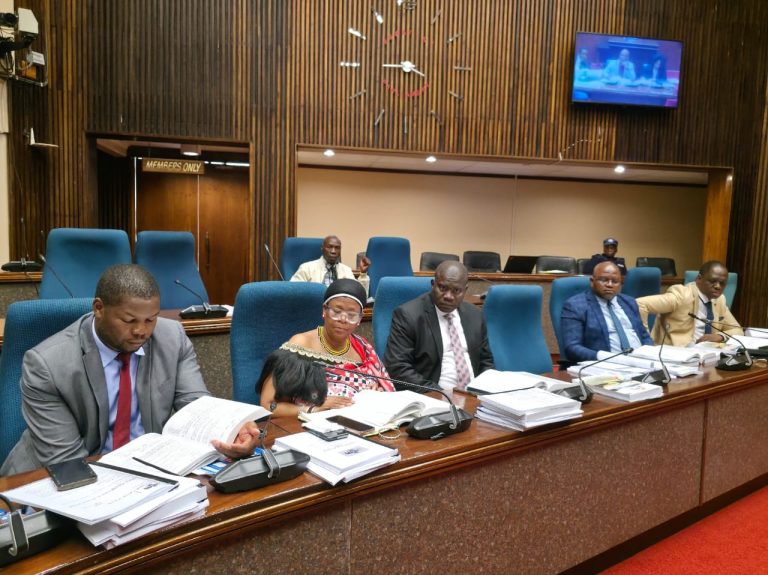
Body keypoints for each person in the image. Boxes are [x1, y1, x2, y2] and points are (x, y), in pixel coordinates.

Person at [0, 264, 260, 476]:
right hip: (49, 478)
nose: (141, 331)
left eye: (150, 319)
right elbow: (67, 462)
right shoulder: (47, 364)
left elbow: (196, 406)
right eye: (129, 320)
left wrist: (230, 430)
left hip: (144, 468)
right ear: (99, 308)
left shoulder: (172, 338)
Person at [257, 278, 394, 417]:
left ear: (360, 318)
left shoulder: (363, 348)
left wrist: (376, 393)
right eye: (337, 311)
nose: (343, 319)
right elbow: (268, 404)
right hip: (307, 424)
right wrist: (314, 408)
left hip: (361, 421)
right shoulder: (301, 345)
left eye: (352, 315)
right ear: (324, 310)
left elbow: (383, 387)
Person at [384, 261, 494, 390]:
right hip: (432, 395)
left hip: (474, 396)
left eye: (456, 290)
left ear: (465, 290)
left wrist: (482, 391)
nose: (448, 296)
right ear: (433, 285)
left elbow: (486, 362)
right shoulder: (408, 315)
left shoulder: (475, 315)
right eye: (442, 288)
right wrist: (441, 394)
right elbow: (397, 368)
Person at [561, 261, 653, 362]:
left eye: (615, 281)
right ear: (592, 281)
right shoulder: (575, 305)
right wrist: (607, 358)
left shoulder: (629, 302)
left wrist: (648, 354)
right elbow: (572, 348)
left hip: (640, 362)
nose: (610, 285)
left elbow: (644, 336)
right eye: (604, 280)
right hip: (604, 364)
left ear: (621, 284)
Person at [637, 261, 742, 346]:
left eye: (722, 283)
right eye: (712, 281)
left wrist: (720, 336)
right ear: (699, 278)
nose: (718, 286)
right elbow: (640, 304)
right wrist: (646, 342)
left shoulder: (719, 300)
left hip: (707, 354)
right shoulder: (681, 295)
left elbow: (737, 330)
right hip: (677, 354)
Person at [290, 235, 370, 295]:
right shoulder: (306, 268)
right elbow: (293, 292)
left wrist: (363, 274)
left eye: (337, 248)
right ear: (322, 248)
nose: (333, 251)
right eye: (330, 247)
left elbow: (359, 295)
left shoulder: (346, 270)